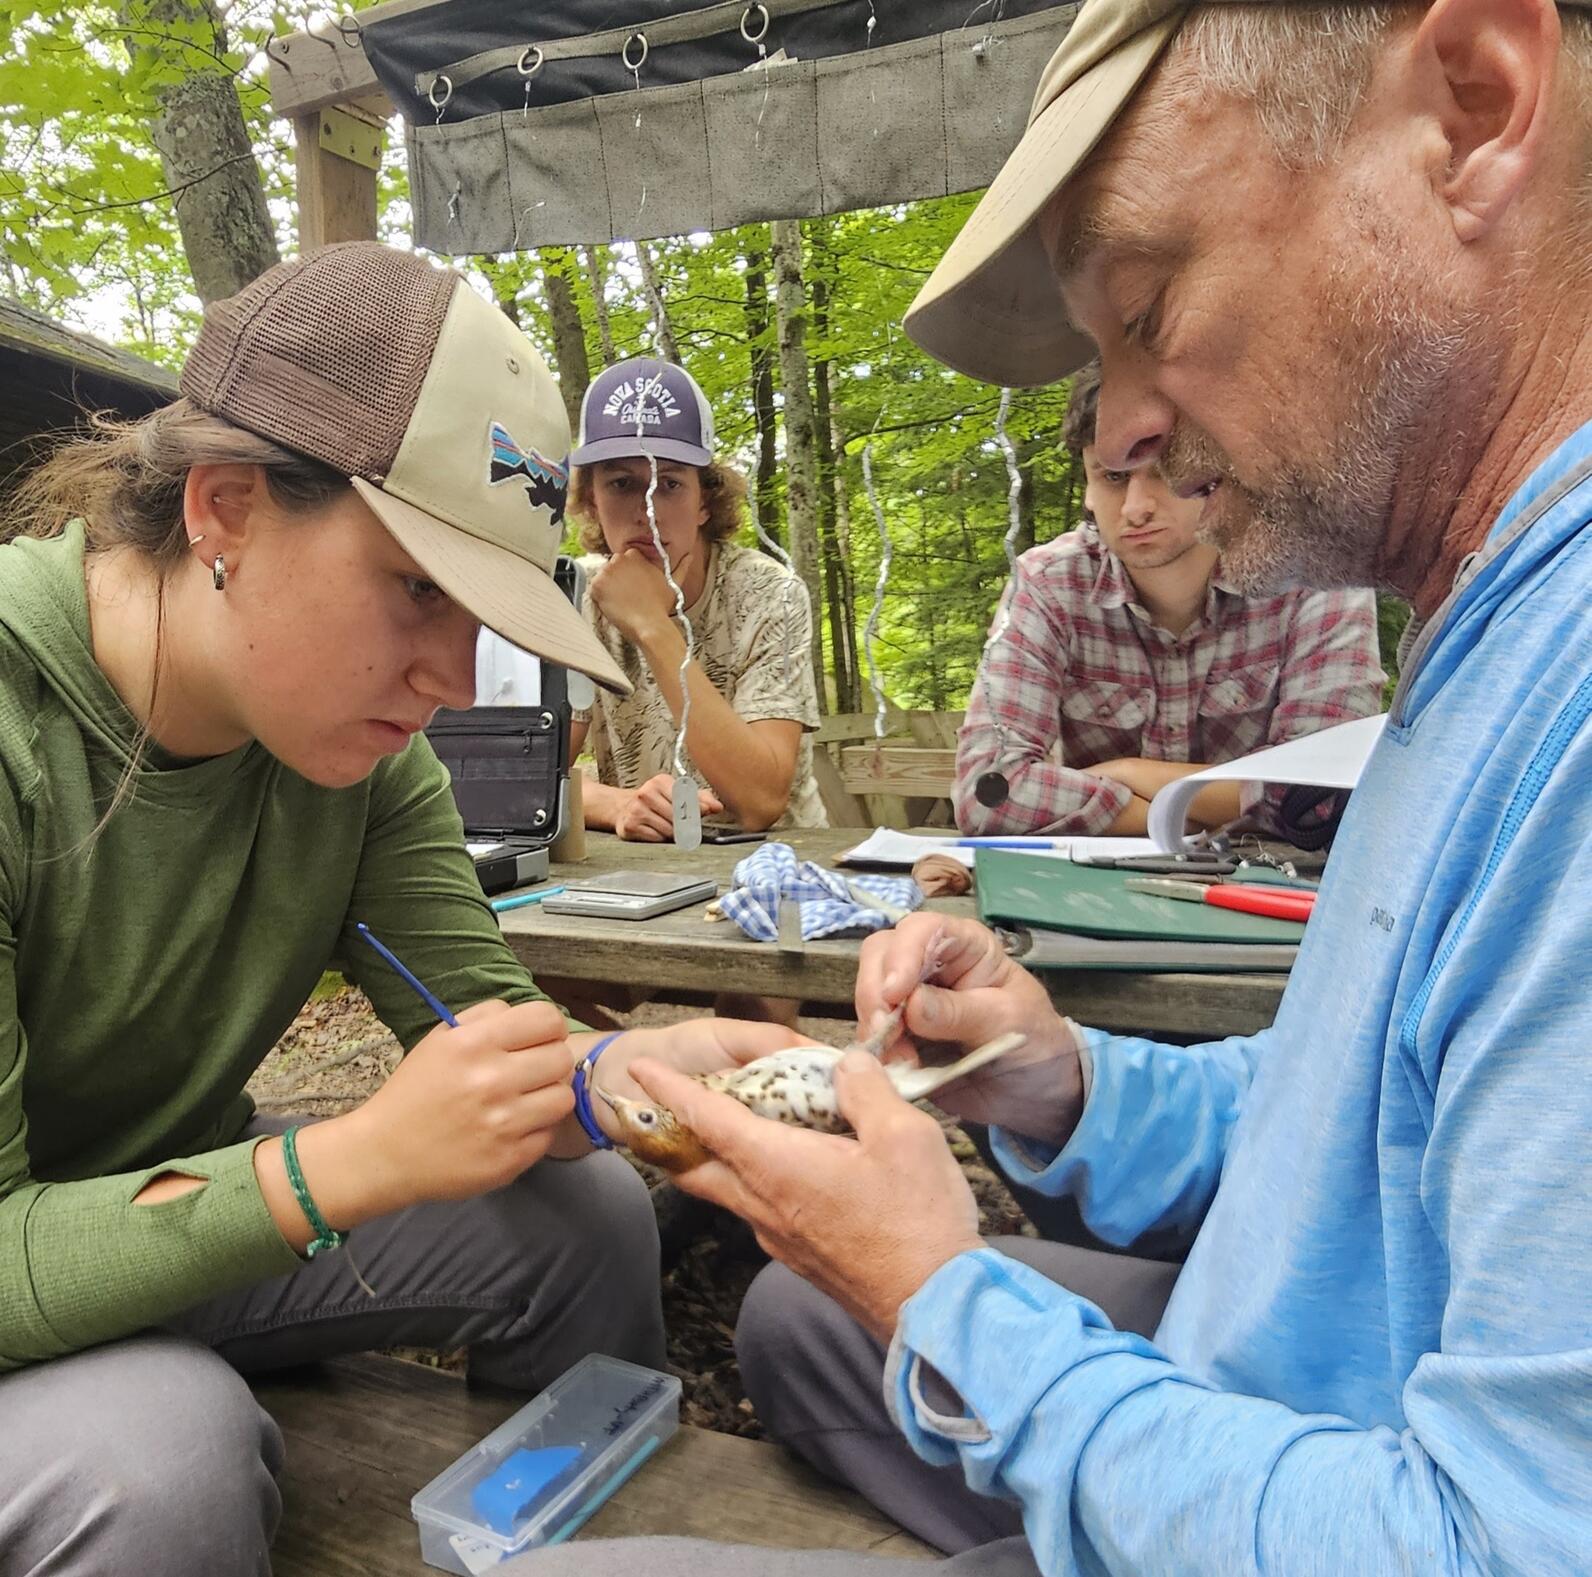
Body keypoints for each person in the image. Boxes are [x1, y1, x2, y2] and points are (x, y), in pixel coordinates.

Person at [510, 2, 1592, 1574]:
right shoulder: (1485, 625)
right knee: (813, 1319)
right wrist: (1061, 1074)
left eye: (1146, 307)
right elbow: (1352, 1122)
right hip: (1279, 1392)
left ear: (1478, 107)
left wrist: (964, 1308)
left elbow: (1504, 1541)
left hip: (1340, 1492)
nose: (1128, 429)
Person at [0, 241, 805, 1577]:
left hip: (175, 1204)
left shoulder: (356, 752)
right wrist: (347, 1163)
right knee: (161, 1458)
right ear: (224, 510)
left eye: (479, 609)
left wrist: (627, 1072)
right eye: (417, 587)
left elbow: (485, 1021)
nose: (448, 675)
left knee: (589, 1211)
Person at [955, 361, 1384, 837]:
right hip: (1096, 892)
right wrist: (1184, 821)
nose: (1136, 508)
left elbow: (1327, 796)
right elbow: (988, 792)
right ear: (1089, 491)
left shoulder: (1314, 578)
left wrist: (1131, 775)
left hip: (1271, 895)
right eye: (1113, 478)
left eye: (1162, 470)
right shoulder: (1049, 584)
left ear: (1218, 469)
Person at [566, 356, 827, 840]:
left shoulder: (771, 593)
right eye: (622, 484)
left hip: (774, 866)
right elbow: (519, 782)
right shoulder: (576, 597)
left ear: (704, 501)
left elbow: (759, 802)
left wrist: (651, 626)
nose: (647, 511)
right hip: (636, 877)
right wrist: (617, 804)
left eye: (669, 484)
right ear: (591, 502)